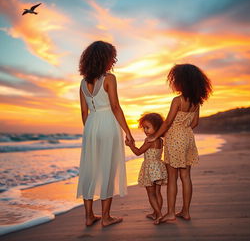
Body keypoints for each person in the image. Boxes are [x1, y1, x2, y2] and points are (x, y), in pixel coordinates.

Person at [76, 41, 134, 227]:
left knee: (90, 170)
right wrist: (128, 131)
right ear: (104, 58)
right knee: (108, 168)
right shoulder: (109, 79)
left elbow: (84, 113)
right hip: (108, 123)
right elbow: (115, 107)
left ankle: (88, 216)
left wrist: (92, 130)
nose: (113, 62)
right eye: (112, 58)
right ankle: (106, 217)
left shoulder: (83, 83)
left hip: (91, 126)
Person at [146, 64, 212, 222]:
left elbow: (168, 122)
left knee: (172, 177)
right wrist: (184, 129)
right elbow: (194, 123)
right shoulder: (196, 102)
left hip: (175, 138)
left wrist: (155, 136)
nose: (173, 82)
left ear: (182, 82)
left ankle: (170, 213)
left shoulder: (178, 100)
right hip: (188, 137)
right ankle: (186, 212)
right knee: (186, 176)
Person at [126, 113, 167, 225]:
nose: (145, 130)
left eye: (148, 127)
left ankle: (158, 214)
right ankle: (156, 212)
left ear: (157, 127)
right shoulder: (160, 140)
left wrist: (130, 145)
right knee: (158, 192)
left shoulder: (149, 140)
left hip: (150, 168)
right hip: (158, 167)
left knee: (151, 193)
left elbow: (138, 152)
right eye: (144, 127)